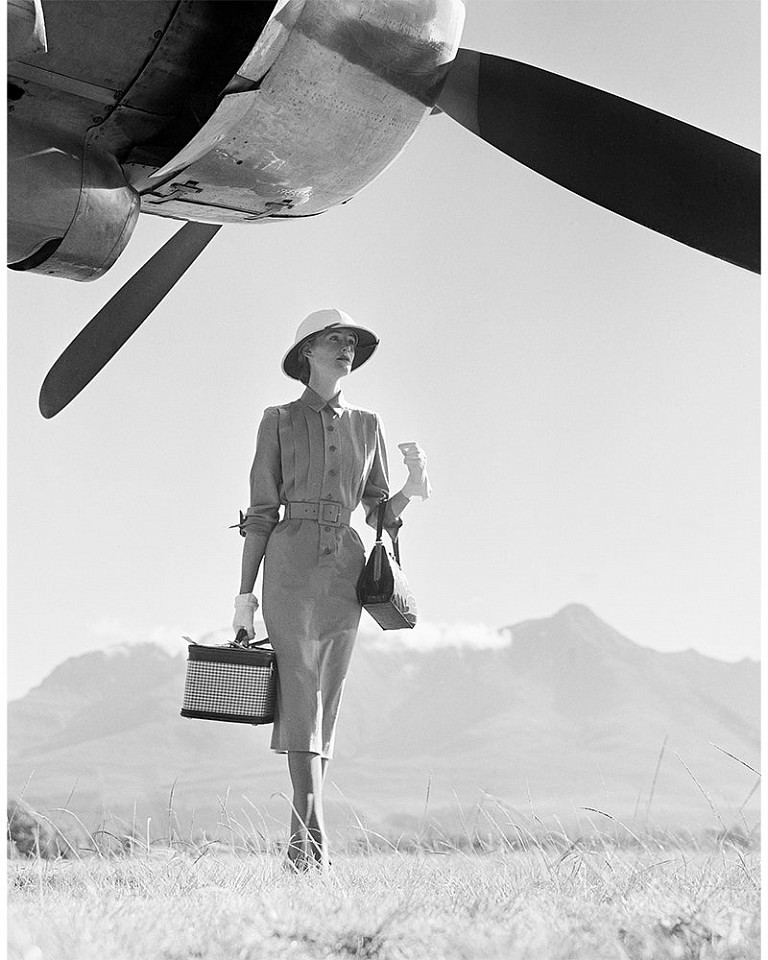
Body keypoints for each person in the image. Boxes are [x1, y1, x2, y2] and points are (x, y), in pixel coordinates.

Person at [232, 308, 430, 872]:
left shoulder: (370, 424)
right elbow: (262, 511)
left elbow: (381, 516)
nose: (345, 347)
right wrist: (244, 598)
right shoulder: (277, 419)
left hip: (345, 564)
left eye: (350, 341)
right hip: (289, 561)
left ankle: (305, 827)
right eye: (333, 340)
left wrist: (413, 488)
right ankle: (311, 820)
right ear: (306, 356)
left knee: (327, 691)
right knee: (297, 683)